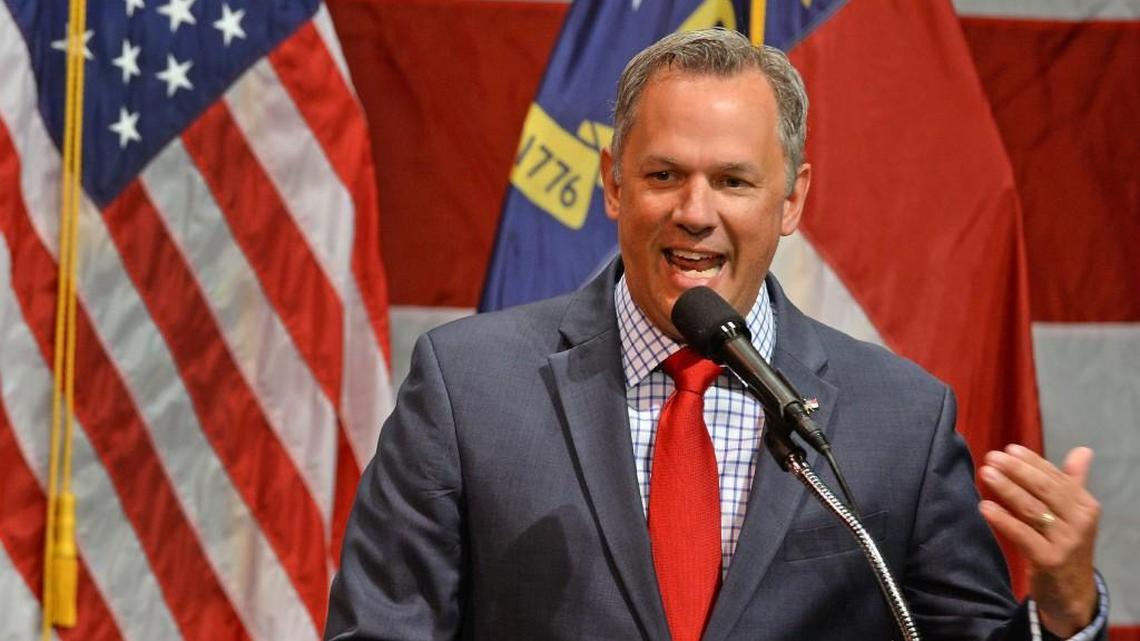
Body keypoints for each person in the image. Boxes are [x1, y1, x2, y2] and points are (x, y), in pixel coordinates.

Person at [325, 28, 1106, 640]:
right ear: (612, 182)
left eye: (733, 180)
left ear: (792, 200)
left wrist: (1066, 611)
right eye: (664, 174)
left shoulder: (899, 420)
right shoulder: (469, 389)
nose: (695, 211)